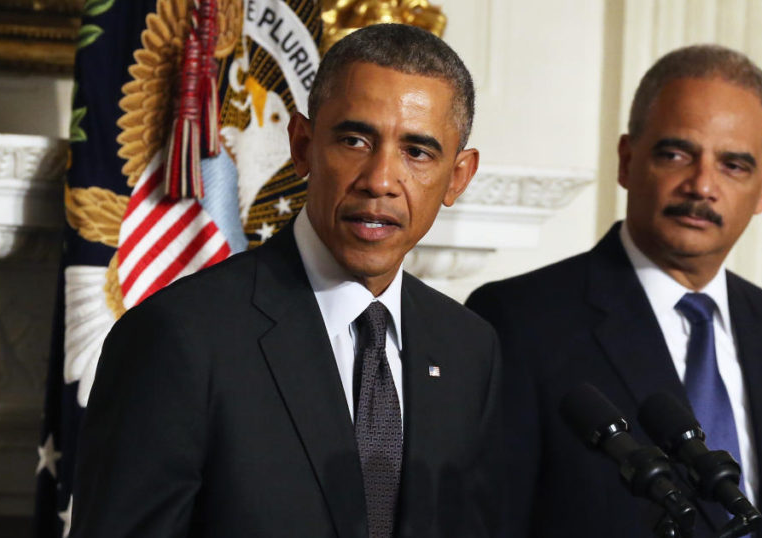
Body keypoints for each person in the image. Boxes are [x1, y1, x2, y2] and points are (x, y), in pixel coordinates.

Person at [72, 24, 500, 538]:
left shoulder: (470, 349)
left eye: (417, 152)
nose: (381, 180)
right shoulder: (179, 338)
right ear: (301, 145)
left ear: (457, 176)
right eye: (354, 140)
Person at [466, 44, 762, 538]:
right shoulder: (519, 320)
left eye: (733, 165)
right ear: (627, 161)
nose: (702, 185)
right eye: (676, 154)